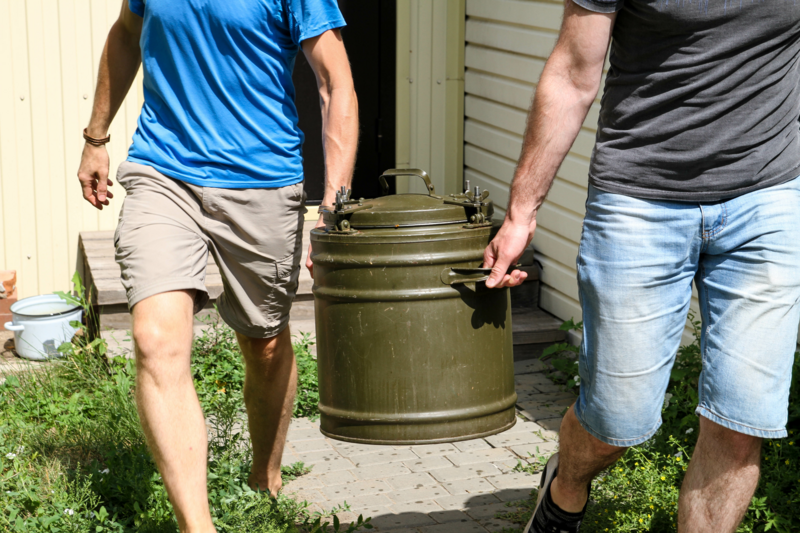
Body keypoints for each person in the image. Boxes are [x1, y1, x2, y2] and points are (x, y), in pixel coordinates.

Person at [483, 0, 800, 531]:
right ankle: (565, 488)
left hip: (766, 197)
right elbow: (572, 73)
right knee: (616, 419)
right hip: (639, 200)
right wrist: (521, 213)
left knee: (741, 420)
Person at [76, 1, 358, 531]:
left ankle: (264, 476)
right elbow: (126, 33)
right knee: (155, 339)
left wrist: (332, 208)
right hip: (163, 172)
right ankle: (197, 525)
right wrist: (96, 137)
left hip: (263, 181)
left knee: (264, 343)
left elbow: (335, 84)